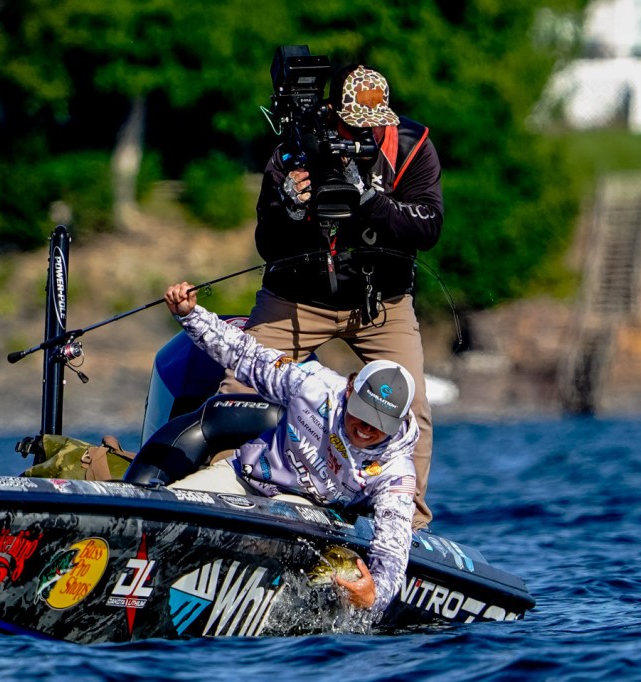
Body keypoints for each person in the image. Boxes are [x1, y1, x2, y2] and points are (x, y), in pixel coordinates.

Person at [221, 63, 443, 530]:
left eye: (373, 125)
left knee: (414, 408)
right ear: (332, 112)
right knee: (240, 385)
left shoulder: (411, 145)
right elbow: (267, 244)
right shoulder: (296, 146)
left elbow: (428, 227)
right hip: (297, 297)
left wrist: (372, 201)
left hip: (380, 302)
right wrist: (289, 206)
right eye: (353, 126)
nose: (363, 135)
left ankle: (410, 525)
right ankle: (219, 500)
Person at [164, 281, 418, 616]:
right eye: (363, 413)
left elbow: (392, 549)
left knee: (257, 532)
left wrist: (375, 597)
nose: (367, 428)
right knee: (168, 509)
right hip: (244, 476)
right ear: (349, 391)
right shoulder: (312, 386)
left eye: (380, 423)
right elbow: (245, 354)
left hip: (309, 511)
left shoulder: (397, 470)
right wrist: (190, 315)